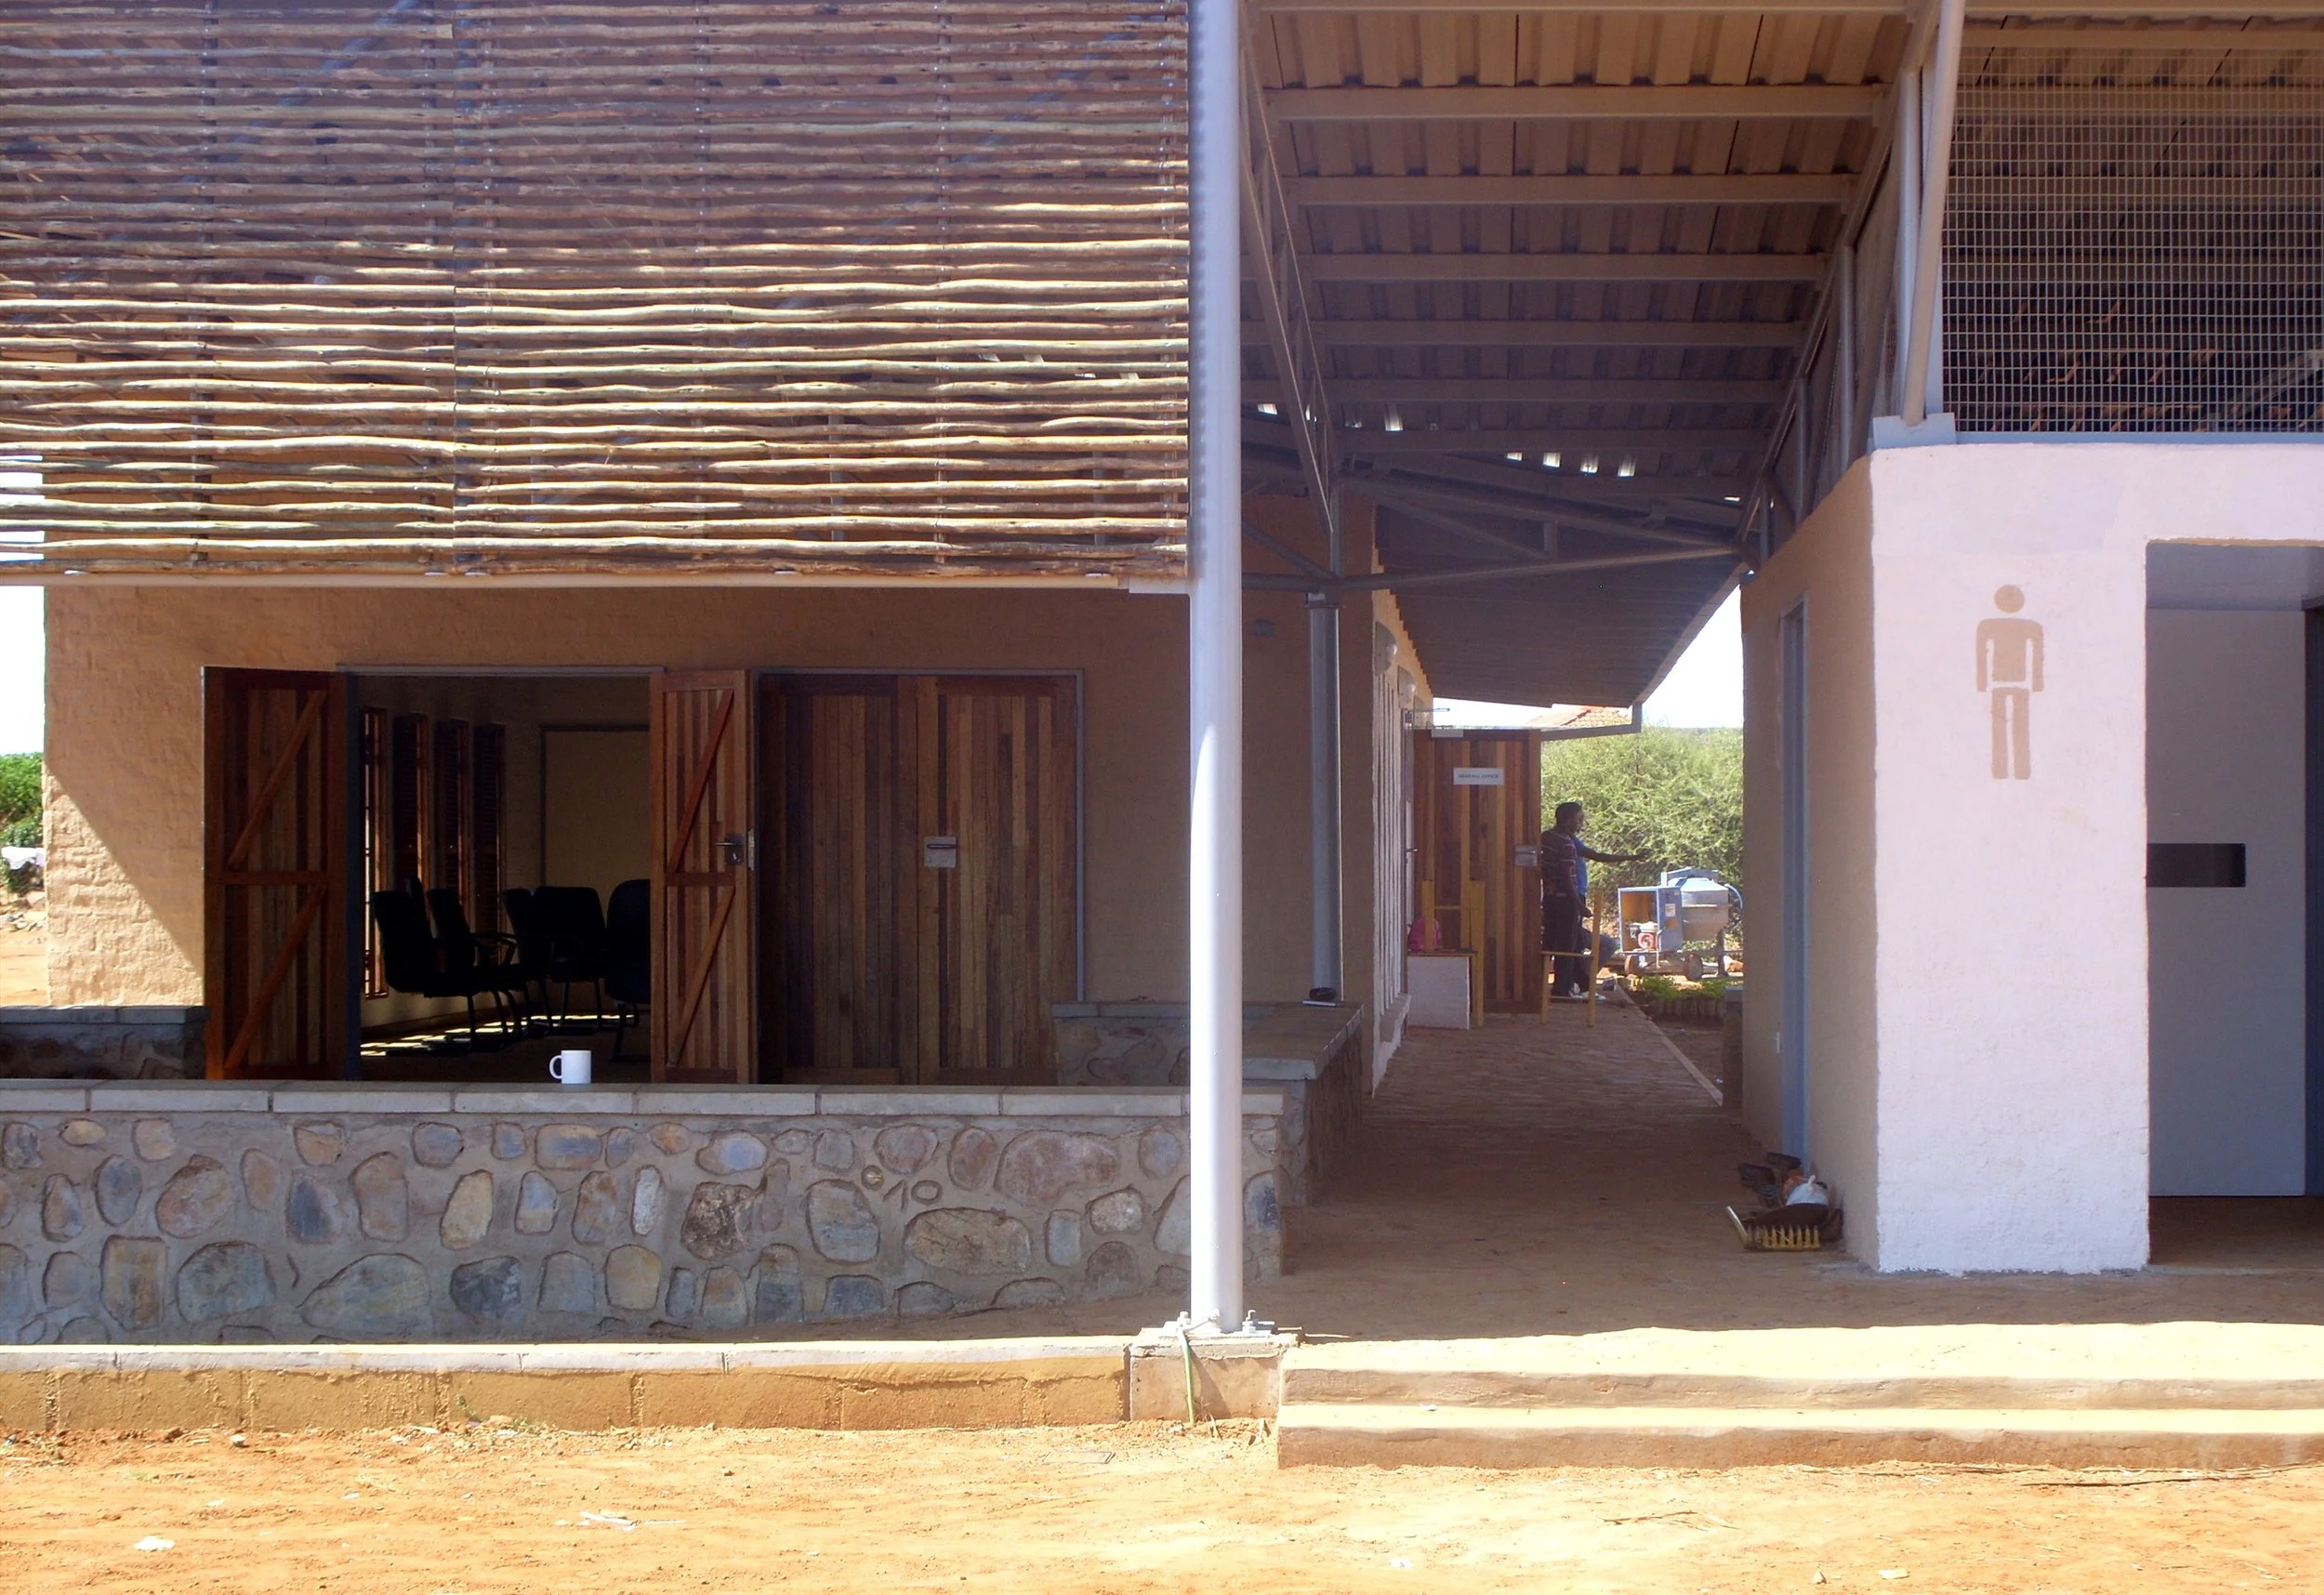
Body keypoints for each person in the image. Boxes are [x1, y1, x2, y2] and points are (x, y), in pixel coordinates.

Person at [1539, 800, 1644, 999]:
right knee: (1567, 945)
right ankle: (1563, 990)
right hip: (1568, 898)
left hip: (1551, 898)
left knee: (1569, 942)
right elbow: (1567, 876)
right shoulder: (1567, 844)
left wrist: (1630, 858)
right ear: (1568, 820)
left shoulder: (1548, 837)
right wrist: (1579, 905)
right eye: (1579, 820)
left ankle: (1581, 984)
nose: (1581, 824)